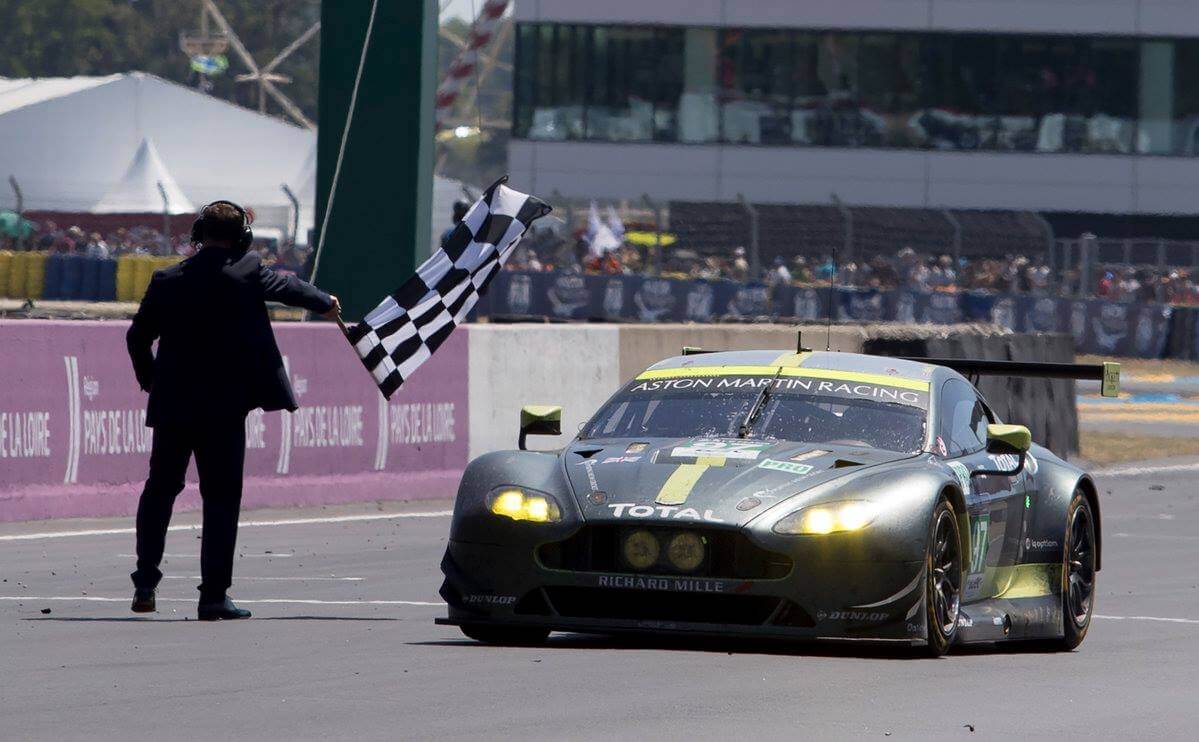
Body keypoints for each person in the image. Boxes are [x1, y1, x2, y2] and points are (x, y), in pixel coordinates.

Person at [126, 200, 340, 621]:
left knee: (160, 489)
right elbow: (290, 288)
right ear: (242, 238)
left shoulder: (166, 279)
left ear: (198, 234)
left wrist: (153, 382)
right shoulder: (248, 271)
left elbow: (137, 338)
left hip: (173, 407)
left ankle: (146, 581)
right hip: (223, 410)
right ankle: (213, 597)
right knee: (221, 499)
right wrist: (325, 301)